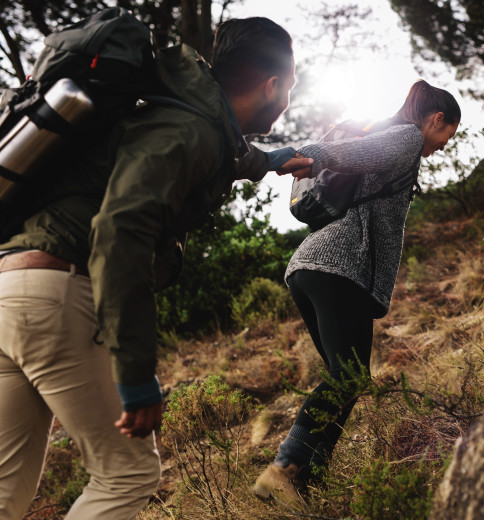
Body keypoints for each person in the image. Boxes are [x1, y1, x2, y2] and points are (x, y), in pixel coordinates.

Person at [0, 15, 311, 520]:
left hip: (12, 291)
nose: (288, 100)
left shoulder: (178, 109)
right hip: (60, 295)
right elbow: (121, 232)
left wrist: (270, 160)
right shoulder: (188, 127)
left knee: (5, 487)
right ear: (273, 85)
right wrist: (136, 372)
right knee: (127, 475)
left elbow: (207, 151)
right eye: (290, 87)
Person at [252, 79, 460, 511]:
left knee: (345, 378)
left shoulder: (392, 134)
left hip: (314, 268)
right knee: (348, 377)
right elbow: (364, 154)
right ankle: (284, 469)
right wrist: (314, 155)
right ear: (436, 119)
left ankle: (304, 481)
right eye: (447, 135)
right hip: (338, 267)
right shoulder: (406, 136)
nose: (442, 146)